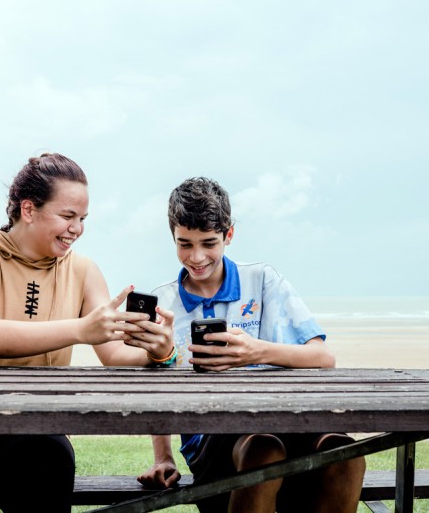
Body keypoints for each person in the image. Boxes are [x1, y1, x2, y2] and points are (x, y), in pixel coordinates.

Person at [0, 152, 176, 513]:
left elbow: (114, 353)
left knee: (45, 464)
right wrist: (80, 329)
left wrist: (159, 351)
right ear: (28, 209)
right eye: (67, 216)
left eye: (83, 219)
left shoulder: (83, 270)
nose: (77, 229)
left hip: (38, 428)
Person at [137, 177, 365, 513]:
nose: (196, 257)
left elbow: (322, 357)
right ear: (173, 237)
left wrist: (255, 351)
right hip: (210, 437)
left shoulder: (263, 280)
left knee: (344, 453)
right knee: (262, 449)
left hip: (285, 416)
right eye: (184, 244)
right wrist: (163, 457)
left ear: (228, 235)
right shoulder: (165, 301)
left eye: (209, 243)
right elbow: (158, 381)